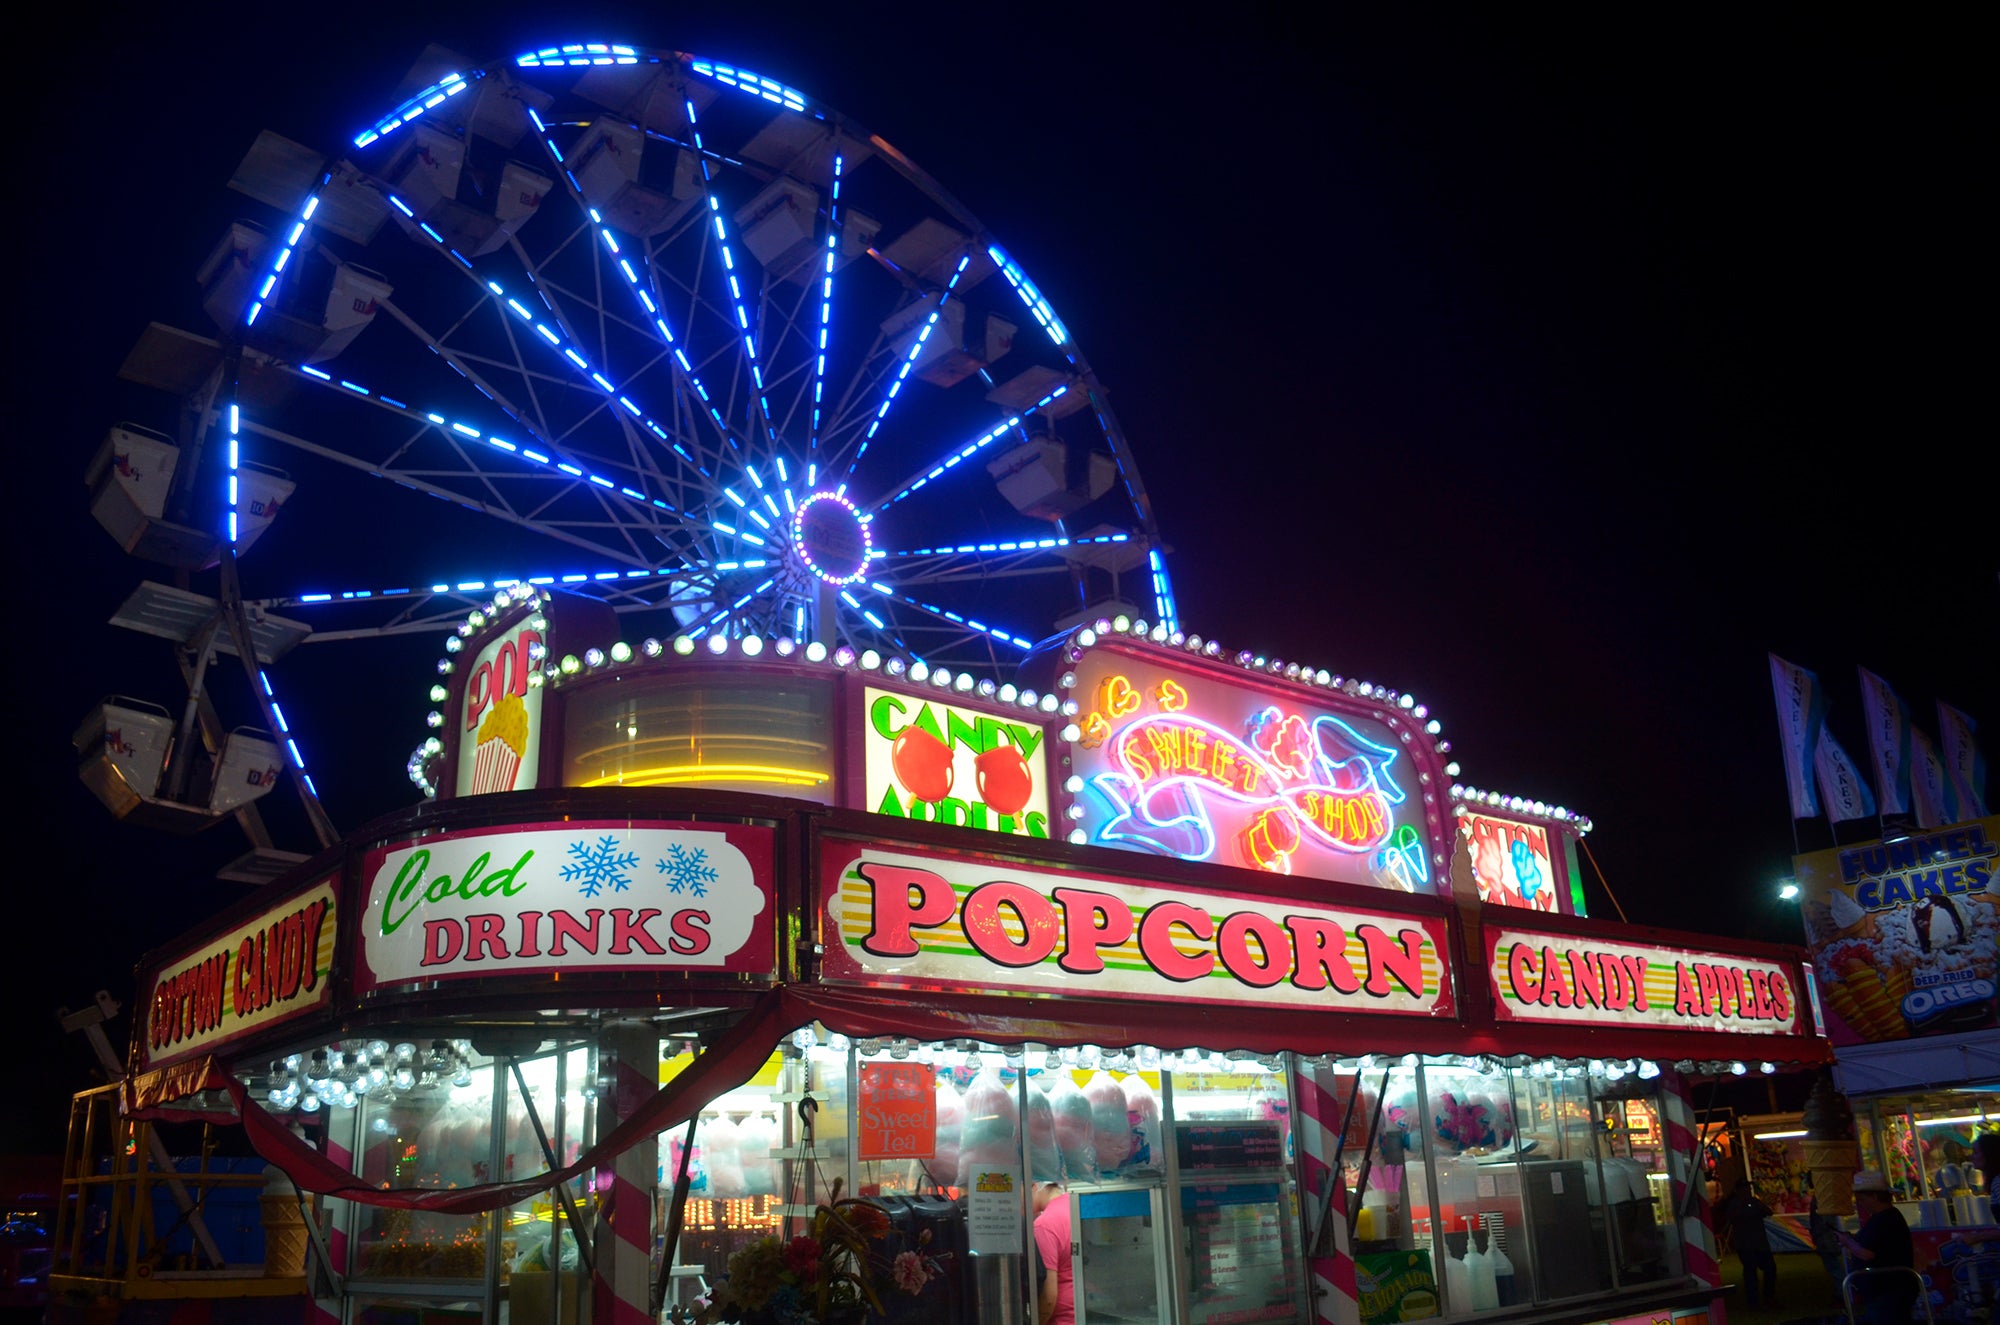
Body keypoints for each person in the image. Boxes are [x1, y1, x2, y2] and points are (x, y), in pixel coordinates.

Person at [1838, 1169, 1916, 1325]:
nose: (1861, 1204)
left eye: (1862, 1200)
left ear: (1874, 1196)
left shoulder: (1885, 1219)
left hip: (1888, 1290)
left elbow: (1867, 1253)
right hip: (1885, 1289)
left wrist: (1848, 1242)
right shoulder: (1885, 1218)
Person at [1724, 1179, 1779, 1308]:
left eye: (1749, 1189)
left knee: (1770, 1269)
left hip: (1760, 1243)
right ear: (1738, 1191)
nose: (1748, 1191)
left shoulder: (1754, 1202)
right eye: (1746, 1189)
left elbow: (1768, 1212)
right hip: (1745, 1244)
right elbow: (1732, 1218)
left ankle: (1768, 1298)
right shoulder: (1734, 1204)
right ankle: (1753, 1301)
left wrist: (1757, 1204)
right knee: (1750, 1272)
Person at [1032, 1179, 1074, 1325]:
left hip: (1062, 1320)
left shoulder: (1044, 1225)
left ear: (1034, 1186)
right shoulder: (1076, 1206)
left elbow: (1049, 1296)